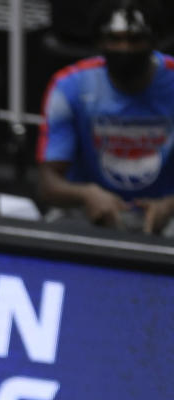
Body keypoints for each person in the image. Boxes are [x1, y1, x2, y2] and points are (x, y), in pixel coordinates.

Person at [37, 1, 174, 235]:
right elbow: (47, 182)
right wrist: (87, 194)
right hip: (91, 212)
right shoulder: (70, 86)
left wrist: (170, 205)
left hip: (166, 214)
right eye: (115, 39)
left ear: (154, 41)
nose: (125, 48)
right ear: (100, 42)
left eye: (135, 39)